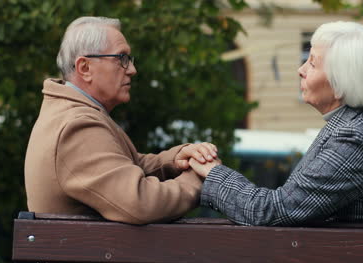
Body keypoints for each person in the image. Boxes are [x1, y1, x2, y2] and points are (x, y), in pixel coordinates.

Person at [189, 21, 363, 226]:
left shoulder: (354, 139)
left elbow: (273, 211)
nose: (300, 70)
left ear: (340, 81)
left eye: (312, 63)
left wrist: (213, 173)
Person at [25, 16, 218, 225]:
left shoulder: (73, 114)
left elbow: (123, 165)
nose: (132, 70)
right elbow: (141, 203)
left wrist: (176, 159)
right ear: (85, 68)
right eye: (121, 58)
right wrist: (200, 178)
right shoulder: (77, 126)